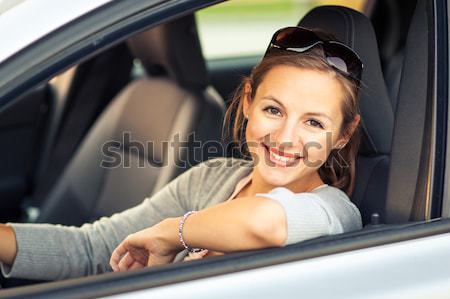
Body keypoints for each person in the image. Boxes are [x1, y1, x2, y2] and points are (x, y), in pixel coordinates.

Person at [0, 26, 363, 281]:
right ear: (249, 101)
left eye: (313, 123)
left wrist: (171, 232)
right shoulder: (212, 178)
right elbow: (93, 249)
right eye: (274, 110)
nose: (286, 138)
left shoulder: (333, 211)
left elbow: (264, 222)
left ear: (344, 134)